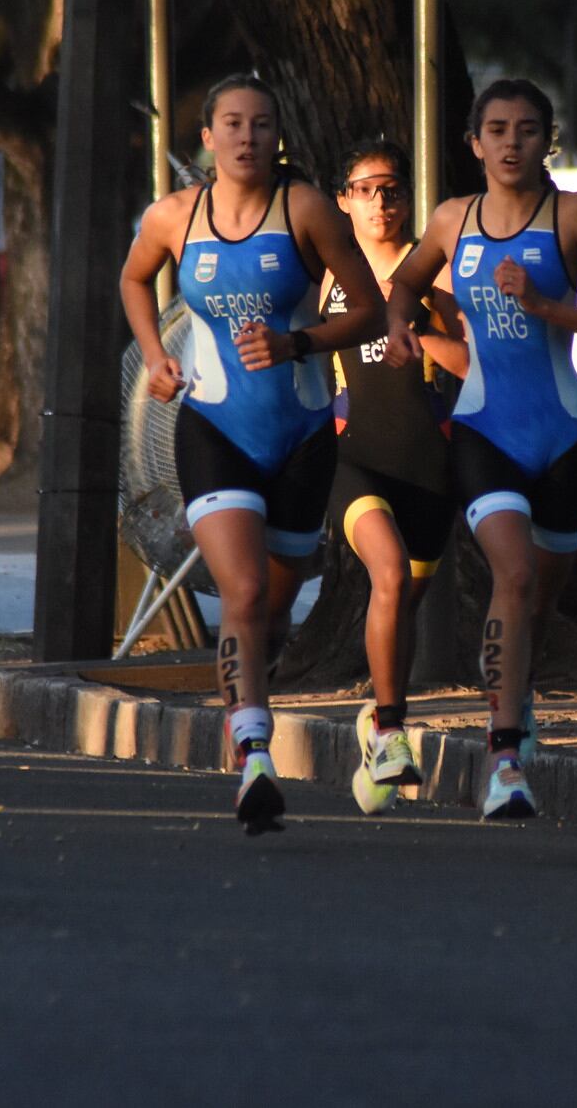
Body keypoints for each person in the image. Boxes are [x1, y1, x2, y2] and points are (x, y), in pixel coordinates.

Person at [119, 74, 384, 834]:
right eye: (231, 123)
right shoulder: (174, 217)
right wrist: (154, 355)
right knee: (238, 593)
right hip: (213, 430)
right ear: (207, 137)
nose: (246, 136)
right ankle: (254, 753)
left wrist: (296, 340)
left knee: (271, 605)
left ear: (278, 137)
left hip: (301, 435)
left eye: (261, 124)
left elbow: (365, 310)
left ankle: (250, 709)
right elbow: (135, 279)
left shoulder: (304, 211)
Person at [384, 79, 577, 820]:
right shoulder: (451, 220)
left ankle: (514, 692)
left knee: (538, 595)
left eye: (527, 130)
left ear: (546, 142)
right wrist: (402, 328)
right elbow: (402, 287)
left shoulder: (574, 216)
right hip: (486, 428)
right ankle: (502, 755)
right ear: (474, 143)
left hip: (564, 430)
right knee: (515, 570)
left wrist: (543, 304)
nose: (510, 142)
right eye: (496, 129)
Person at [320, 139, 470, 814]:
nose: (381, 202)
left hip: (429, 470)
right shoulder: (323, 276)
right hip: (353, 460)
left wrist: (415, 331)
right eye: (366, 189)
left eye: (393, 189)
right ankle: (389, 730)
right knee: (385, 573)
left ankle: (375, 728)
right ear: (343, 199)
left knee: (401, 610)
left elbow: (472, 362)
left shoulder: (432, 276)